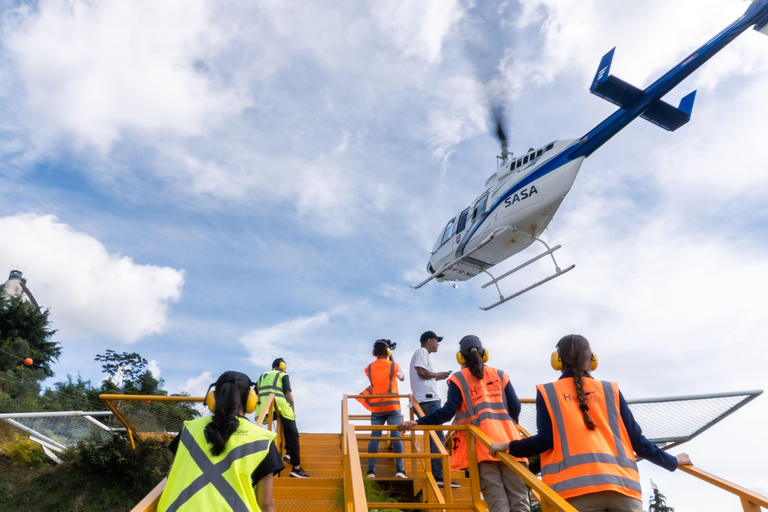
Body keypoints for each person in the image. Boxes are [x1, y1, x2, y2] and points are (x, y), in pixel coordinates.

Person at [489, 335, 693, 512]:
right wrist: (672, 461)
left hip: (573, 494)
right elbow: (638, 442)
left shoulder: (548, 392)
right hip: (623, 489)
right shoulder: (610, 390)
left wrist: (507, 446)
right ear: (592, 359)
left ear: (557, 361)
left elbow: (545, 441)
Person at [400, 335, 530, 512]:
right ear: (485, 354)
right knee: (520, 500)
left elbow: (447, 413)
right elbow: (515, 407)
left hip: (483, 447)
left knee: (497, 501)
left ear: (460, 357)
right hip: (511, 444)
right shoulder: (500, 375)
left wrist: (418, 421)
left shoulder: (458, 379)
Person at [157, 371, 283, 512]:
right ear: (251, 399)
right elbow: (266, 505)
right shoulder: (262, 439)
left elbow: (171, 474)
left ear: (213, 398)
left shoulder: (189, 430)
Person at [409, 330, 459, 488]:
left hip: (426, 399)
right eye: (437, 341)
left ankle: (438, 474)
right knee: (437, 438)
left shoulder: (423, 354)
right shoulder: (422, 351)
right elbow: (422, 372)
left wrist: (438, 376)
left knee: (434, 438)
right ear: (429, 340)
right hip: (428, 400)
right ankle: (439, 476)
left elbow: (423, 374)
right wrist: (436, 374)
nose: (438, 344)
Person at [357, 339, 407, 479]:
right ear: (388, 352)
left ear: (374, 353)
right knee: (396, 437)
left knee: (375, 438)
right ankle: (400, 470)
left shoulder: (369, 368)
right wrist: (392, 359)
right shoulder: (394, 365)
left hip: (376, 408)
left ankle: (371, 471)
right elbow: (401, 378)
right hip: (392, 406)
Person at [254, 358, 309, 478]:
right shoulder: (282, 375)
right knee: (292, 432)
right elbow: (288, 395)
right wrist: (292, 410)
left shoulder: (261, 377)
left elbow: (254, 394)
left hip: (263, 409)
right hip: (279, 405)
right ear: (282, 365)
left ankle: (287, 453)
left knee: (281, 427)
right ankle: (296, 468)